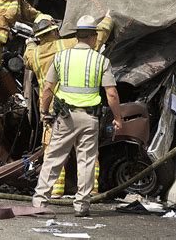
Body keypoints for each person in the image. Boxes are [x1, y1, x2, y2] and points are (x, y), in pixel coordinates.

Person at [32, 15, 122, 217]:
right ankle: (82, 206)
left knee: (53, 159)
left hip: (65, 117)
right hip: (90, 119)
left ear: (77, 35)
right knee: (87, 161)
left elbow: (47, 89)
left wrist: (45, 111)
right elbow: (112, 94)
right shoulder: (101, 61)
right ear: (92, 37)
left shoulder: (61, 57)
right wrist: (118, 118)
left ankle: (39, 203)